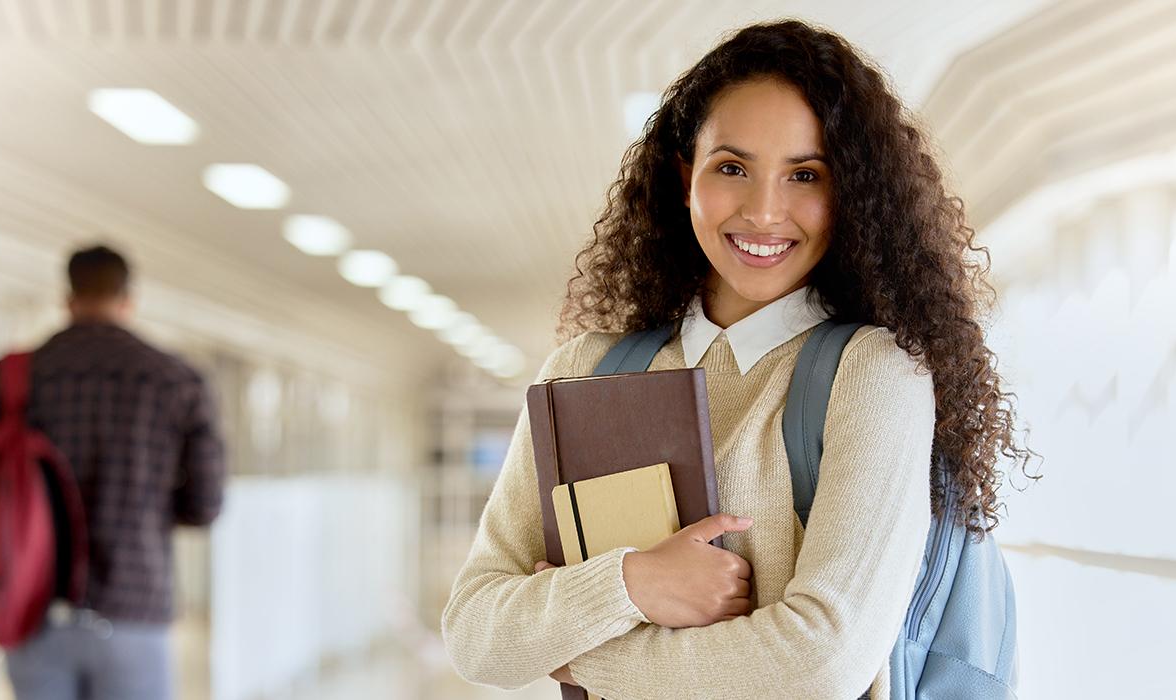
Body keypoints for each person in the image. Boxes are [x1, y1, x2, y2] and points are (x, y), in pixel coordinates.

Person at [441, 20, 1034, 699]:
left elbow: (820, 662)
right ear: (684, 175)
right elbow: (474, 635)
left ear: (850, 196)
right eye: (732, 168)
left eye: (805, 175)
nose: (763, 211)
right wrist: (635, 582)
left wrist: (579, 656)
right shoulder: (581, 373)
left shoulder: (873, 375)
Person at [0, 244, 225, 700]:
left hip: (34, 604)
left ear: (67, 299)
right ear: (128, 300)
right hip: (135, 607)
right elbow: (205, 506)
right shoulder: (175, 380)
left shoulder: (10, 379)